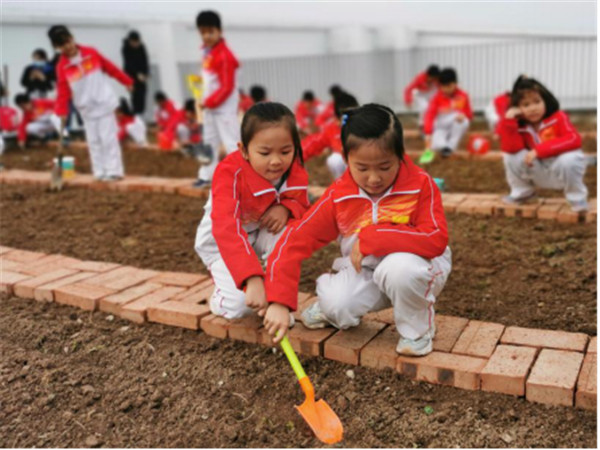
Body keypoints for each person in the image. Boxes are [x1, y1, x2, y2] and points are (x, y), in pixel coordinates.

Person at [262, 104, 451, 355]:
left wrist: (373, 238)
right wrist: (277, 298)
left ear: (400, 154)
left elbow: (435, 239)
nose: (374, 179)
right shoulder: (340, 196)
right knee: (338, 305)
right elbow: (296, 239)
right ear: (345, 159)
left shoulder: (419, 185)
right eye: (362, 168)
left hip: (418, 269)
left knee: (399, 270)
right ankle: (331, 308)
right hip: (367, 270)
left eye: (385, 167)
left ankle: (417, 331)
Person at [194, 102, 310, 322]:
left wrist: (287, 207)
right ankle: (220, 298)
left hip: (260, 232)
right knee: (239, 308)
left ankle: (277, 301)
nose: (276, 161)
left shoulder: (295, 167)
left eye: (285, 151)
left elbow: (301, 202)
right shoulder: (229, 173)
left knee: (290, 234)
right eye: (264, 152)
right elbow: (226, 227)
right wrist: (251, 277)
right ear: (244, 150)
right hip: (222, 245)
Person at [49, 25, 133, 181]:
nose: (68, 46)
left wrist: (126, 81)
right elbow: (63, 91)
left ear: (72, 38)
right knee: (94, 141)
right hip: (86, 108)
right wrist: (61, 112)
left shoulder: (91, 53)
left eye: (68, 41)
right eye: (62, 45)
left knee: (108, 139)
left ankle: (114, 170)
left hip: (104, 102)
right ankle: (99, 171)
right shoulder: (62, 67)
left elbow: (110, 68)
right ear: (57, 47)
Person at [498, 77, 588, 212]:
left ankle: (577, 198)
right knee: (510, 156)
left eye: (537, 102)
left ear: (545, 100)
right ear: (518, 108)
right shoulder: (520, 125)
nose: (533, 108)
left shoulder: (559, 117)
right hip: (538, 172)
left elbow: (574, 139)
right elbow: (511, 149)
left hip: (561, 170)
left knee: (570, 159)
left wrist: (539, 150)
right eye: (526, 105)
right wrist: (509, 121)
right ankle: (523, 193)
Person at [194, 10, 241, 188]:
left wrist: (209, 102)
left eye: (210, 31)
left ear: (219, 31)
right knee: (208, 142)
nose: (206, 36)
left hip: (224, 108)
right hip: (209, 107)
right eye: (203, 32)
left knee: (232, 143)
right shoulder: (208, 52)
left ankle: (241, 178)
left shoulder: (226, 56)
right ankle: (206, 176)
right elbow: (211, 79)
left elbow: (227, 87)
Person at [301, 92, 359, 179]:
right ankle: (343, 184)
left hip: (366, 164)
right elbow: (314, 143)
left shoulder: (364, 126)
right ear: (337, 119)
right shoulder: (332, 129)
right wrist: (295, 156)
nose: (352, 121)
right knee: (335, 160)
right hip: (345, 164)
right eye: (346, 118)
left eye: (355, 115)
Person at [422, 68, 472, 161]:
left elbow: (469, 114)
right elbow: (430, 115)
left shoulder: (463, 96)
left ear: (455, 83)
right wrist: (428, 132)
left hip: (456, 125)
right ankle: (444, 147)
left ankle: (450, 147)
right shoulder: (436, 98)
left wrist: (464, 115)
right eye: (443, 86)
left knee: (463, 121)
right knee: (435, 145)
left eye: (448, 86)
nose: (446, 89)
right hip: (442, 126)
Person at [122, 31, 149, 116]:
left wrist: (145, 73)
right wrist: (137, 74)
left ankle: (141, 113)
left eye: (138, 42)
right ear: (130, 41)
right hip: (131, 75)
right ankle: (135, 114)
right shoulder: (126, 48)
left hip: (141, 75)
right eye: (134, 43)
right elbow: (129, 64)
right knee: (135, 96)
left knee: (143, 93)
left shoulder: (142, 47)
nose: (136, 44)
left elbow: (145, 60)